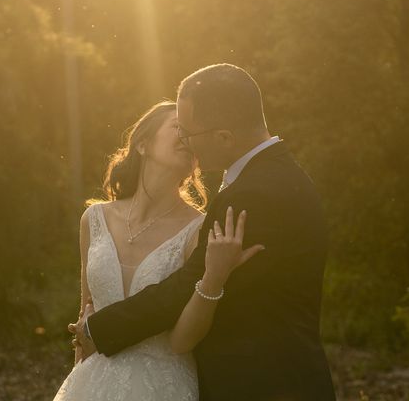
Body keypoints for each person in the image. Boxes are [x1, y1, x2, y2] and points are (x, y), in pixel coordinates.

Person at [75, 64, 336, 400]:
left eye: (188, 133)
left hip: (262, 386)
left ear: (224, 136)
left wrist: (100, 328)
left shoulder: (255, 194)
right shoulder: (274, 177)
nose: (185, 142)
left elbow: (186, 284)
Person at [54, 101, 260, 400]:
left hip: (164, 386)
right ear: (142, 144)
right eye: (178, 127)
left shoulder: (200, 230)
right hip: (93, 385)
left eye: (192, 131)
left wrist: (214, 278)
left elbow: (181, 341)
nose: (187, 136)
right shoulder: (94, 219)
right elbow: (86, 322)